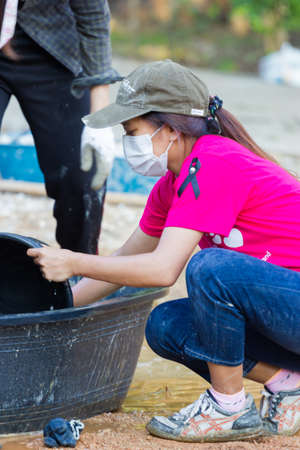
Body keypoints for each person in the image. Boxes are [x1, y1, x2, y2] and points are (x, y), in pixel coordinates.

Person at [27, 59, 300, 443]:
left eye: (132, 130)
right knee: (166, 324)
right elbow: (122, 260)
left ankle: (228, 407)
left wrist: (71, 260)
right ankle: (287, 383)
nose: (129, 143)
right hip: (283, 318)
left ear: (170, 129)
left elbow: (161, 270)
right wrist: (51, 307)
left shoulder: (216, 162)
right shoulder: (172, 186)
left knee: (210, 269)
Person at [0, 0, 122, 254]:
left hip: (52, 47)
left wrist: (98, 121)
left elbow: (94, 18)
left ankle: (79, 270)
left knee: (80, 173)